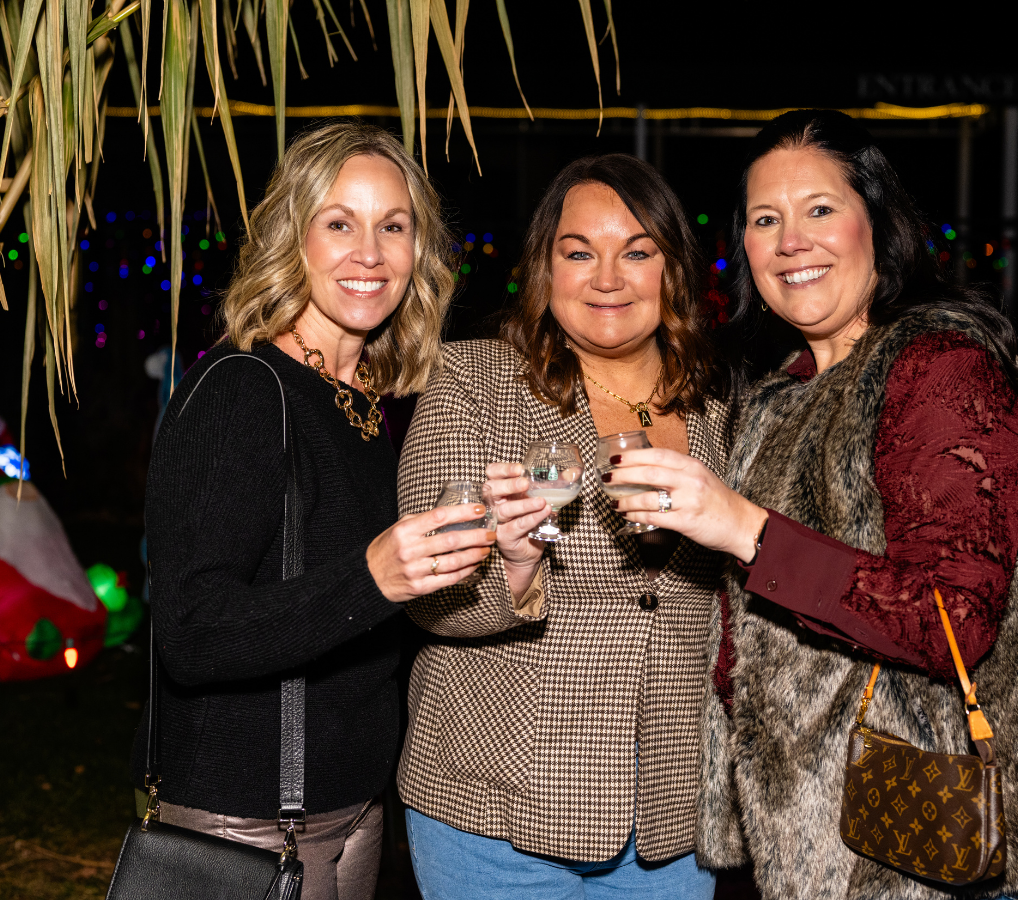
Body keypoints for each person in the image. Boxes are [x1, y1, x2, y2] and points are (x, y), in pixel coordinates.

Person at [602, 110, 1018, 900]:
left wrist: (744, 528)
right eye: (766, 220)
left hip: (918, 842)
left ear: (880, 225)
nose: (791, 240)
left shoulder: (941, 369)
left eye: (820, 209)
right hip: (800, 832)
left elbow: (952, 618)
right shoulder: (778, 392)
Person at [138, 121, 496, 900]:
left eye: (392, 227)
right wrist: (373, 578)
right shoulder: (241, 389)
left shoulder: (369, 402)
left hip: (356, 808)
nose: (369, 252)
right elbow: (192, 632)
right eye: (339, 223)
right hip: (249, 824)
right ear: (291, 239)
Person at [396, 154, 733, 899]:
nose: (607, 278)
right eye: (579, 252)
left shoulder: (724, 410)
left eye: (638, 252)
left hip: (671, 818)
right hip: (494, 807)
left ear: (674, 271)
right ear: (544, 271)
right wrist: (513, 566)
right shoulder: (473, 380)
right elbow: (424, 596)